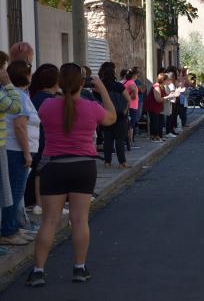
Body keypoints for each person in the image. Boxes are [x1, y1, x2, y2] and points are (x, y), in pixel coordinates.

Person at [27, 63, 117, 287]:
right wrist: (103, 90)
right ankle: (79, 267)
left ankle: (38, 271)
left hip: (53, 167)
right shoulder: (91, 107)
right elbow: (112, 117)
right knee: (79, 220)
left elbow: (46, 115)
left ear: (59, 82)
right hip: (83, 167)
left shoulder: (47, 106)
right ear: (81, 83)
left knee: (49, 221)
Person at [0, 61, 39, 246]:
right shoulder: (19, 97)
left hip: (14, 149)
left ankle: (13, 227)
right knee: (14, 192)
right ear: (25, 75)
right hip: (16, 150)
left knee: (15, 192)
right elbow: (20, 126)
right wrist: (27, 153)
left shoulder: (19, 95)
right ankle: (8, 230)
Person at [27, 64, 59, 216]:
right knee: (47, 173)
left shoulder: (35, 97)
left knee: (40, 172)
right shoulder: (51, 100)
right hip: (48, 141)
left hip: (37, 140)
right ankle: (44, 204)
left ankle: (39, 204)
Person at [98, 62, 130, 168]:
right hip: (120, 116)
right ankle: (122, 162)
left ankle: (107, 162)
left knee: (107, 139)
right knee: (119, 140)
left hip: (105, 115)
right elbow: (128, 99)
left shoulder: (100, 87)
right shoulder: (119, 86)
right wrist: (125, 110)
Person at [123, 69, 140, 151]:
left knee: (129, 125)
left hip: (130, 106)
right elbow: (134, 95)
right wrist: (133, 95)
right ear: (133, 75)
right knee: (131, 126)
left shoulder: (126, 82)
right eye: (136, 75)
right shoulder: (131, 83)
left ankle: (128, 142)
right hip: (132, 106)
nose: (137, 76)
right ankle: (129, 143)